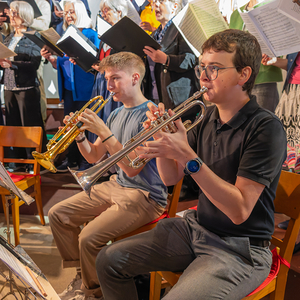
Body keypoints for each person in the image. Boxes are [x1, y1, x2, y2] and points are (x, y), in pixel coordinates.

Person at [95, 29, 287, 300]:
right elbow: (170, 178)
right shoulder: (207, 117)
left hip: (240, 248)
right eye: (202, 67)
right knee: (108, 260)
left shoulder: (265, 127)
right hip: (197, 228)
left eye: (215, 68)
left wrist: (188, 157)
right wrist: (161, 139)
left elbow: (239, 210)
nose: (204, 76)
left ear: (243, 75)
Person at [48, 52, 168, 300]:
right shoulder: (114, 114)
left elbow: (132, 167)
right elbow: (93, 157)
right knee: (57, 214)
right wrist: (79, 136)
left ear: (135, 78)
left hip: (144, 195)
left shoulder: (151, 114)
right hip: (117, 185)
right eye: (106, 79)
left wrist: (103, 131)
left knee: (88, 238)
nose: (108, 85)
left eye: (115, 78)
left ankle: (94, 293)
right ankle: (84, 276)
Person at [41, 0, 100, 171]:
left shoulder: (91, 34)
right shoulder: (65, 34)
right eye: (66, 12)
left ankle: (86, 160)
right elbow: (62, 63)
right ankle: (71, 158)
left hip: (85, 87)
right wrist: (52, 58)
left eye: (71, 11)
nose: (68, 15)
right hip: (69, 89)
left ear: (80, 12)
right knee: (70, 125)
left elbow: (94, 61)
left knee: (84, 125)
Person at [0, 1, 47, 166]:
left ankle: (35, 162)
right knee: (13, 125)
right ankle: (18, 161)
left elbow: (34, 64)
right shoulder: (9, 37)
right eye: (11, 12)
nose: (11, 16)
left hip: (26, 87)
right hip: (9, 86)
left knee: (30, 126)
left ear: (25, 15)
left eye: (15, 13)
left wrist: (12, 64)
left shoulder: (34, 36)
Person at [142, 0, 199, 109]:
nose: (156, 5)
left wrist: (167, 60)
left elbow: (191, 59)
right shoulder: (154, 34)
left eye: (161, 1)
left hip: (177, 99)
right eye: (154, 2)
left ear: (175, 6)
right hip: (155, 96)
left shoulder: (183, 27)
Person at [229, 0, 282, 113]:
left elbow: (280, 41)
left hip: (263, 78)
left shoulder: (272, 7)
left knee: (262, 124)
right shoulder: (236, 14)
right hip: (239, 80)